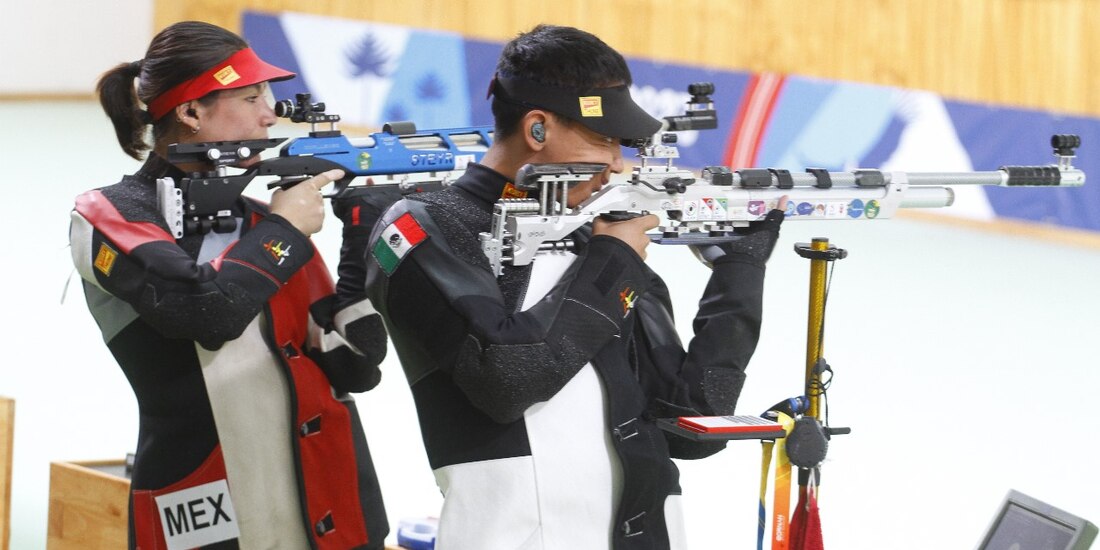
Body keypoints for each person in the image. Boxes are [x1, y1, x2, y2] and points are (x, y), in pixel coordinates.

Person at [363, 24, 786, 549]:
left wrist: (740, 273)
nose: (616, 163)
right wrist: (613, 260)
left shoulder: (600, 234)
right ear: (537, 129)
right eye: (603, 139)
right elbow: (508, 380)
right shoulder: (425, 224)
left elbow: (691, 423)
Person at [70, 21, 388, 549]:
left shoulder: (268, 228)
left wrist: (360, 234)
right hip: (202, 512)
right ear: (191, 112)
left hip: (329, 507)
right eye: (251, 96)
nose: (271, 112)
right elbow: (204, 312)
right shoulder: (108, 214)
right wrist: (286, 231)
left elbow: (355, 365)